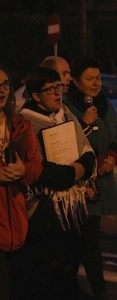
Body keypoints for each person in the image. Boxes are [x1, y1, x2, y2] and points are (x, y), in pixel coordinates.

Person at [11, 67, 96, 299]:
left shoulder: (65, 114)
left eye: (59, 87)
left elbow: (88, 154)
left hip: (73, 209)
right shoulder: (26, 122)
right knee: (46, 274)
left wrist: (77, 170)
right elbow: (39, 169)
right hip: (45, 213)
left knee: (70, 266)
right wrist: (72, 174)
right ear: (36, 96)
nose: (58, 93)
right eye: (50, 89)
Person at [63, 56, 117, 300]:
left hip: (101, 182)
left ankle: (76, 286)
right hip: (80, 185)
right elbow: (68, 141)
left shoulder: (106, 104)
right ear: (76, 82)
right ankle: (97, 289)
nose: (95, 83)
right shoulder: (68, 106)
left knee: (88, 240)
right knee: (87, 242)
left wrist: (112, 155)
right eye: (89, 79)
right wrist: (84, 123)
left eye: (98, 77)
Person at [0, 66, 42, 299]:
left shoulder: (20, 125)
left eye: (5, 84)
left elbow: (36, 165)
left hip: (17, 222)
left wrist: (23, 170)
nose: (2, 90)